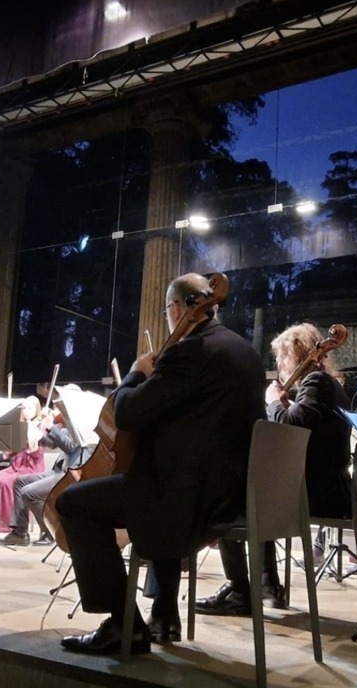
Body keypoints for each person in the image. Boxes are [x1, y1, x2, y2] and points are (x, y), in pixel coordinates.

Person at [57, 273, 265, 655]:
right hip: (231, 497)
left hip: (189, 501)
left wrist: (138, 372)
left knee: (72, 503)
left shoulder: (191, 351)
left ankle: (123, 625)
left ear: (174, 308)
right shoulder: (244, 352)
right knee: (154, 477)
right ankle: (164, 613)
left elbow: (129, 413)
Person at [197, 322, 352, 616]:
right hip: (330, 488)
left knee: (228, 501)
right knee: (255, 494)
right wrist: (284, 404)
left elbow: (289, 427)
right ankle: (269, 586)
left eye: (282, 356)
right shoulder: (326, 384)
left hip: (320, 493)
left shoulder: (316, 381)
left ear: (300, 353)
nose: (279, 364)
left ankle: (241, 591)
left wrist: (273, 403)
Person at [1, 402, 90, 546]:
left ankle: (52, 530)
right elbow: (51, 443)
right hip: (58, 470)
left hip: (70, 474)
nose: (60, 408)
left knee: (29, 493)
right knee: (20, 482)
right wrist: (38, 432)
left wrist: (51, 427)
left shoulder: (81, 425)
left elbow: (69, 447)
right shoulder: (67, 424)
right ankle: (20, 532)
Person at [0, 396, 47, 534]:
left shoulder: (41, 427)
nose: (26, 411)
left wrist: (33, 442)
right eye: (24, 408)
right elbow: (12, 451)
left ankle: (8, 524)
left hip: (31, 466)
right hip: (16, 465)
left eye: (30, 408)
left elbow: (37, 454)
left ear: (37, 410)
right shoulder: (19, 426)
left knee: (6, 482)